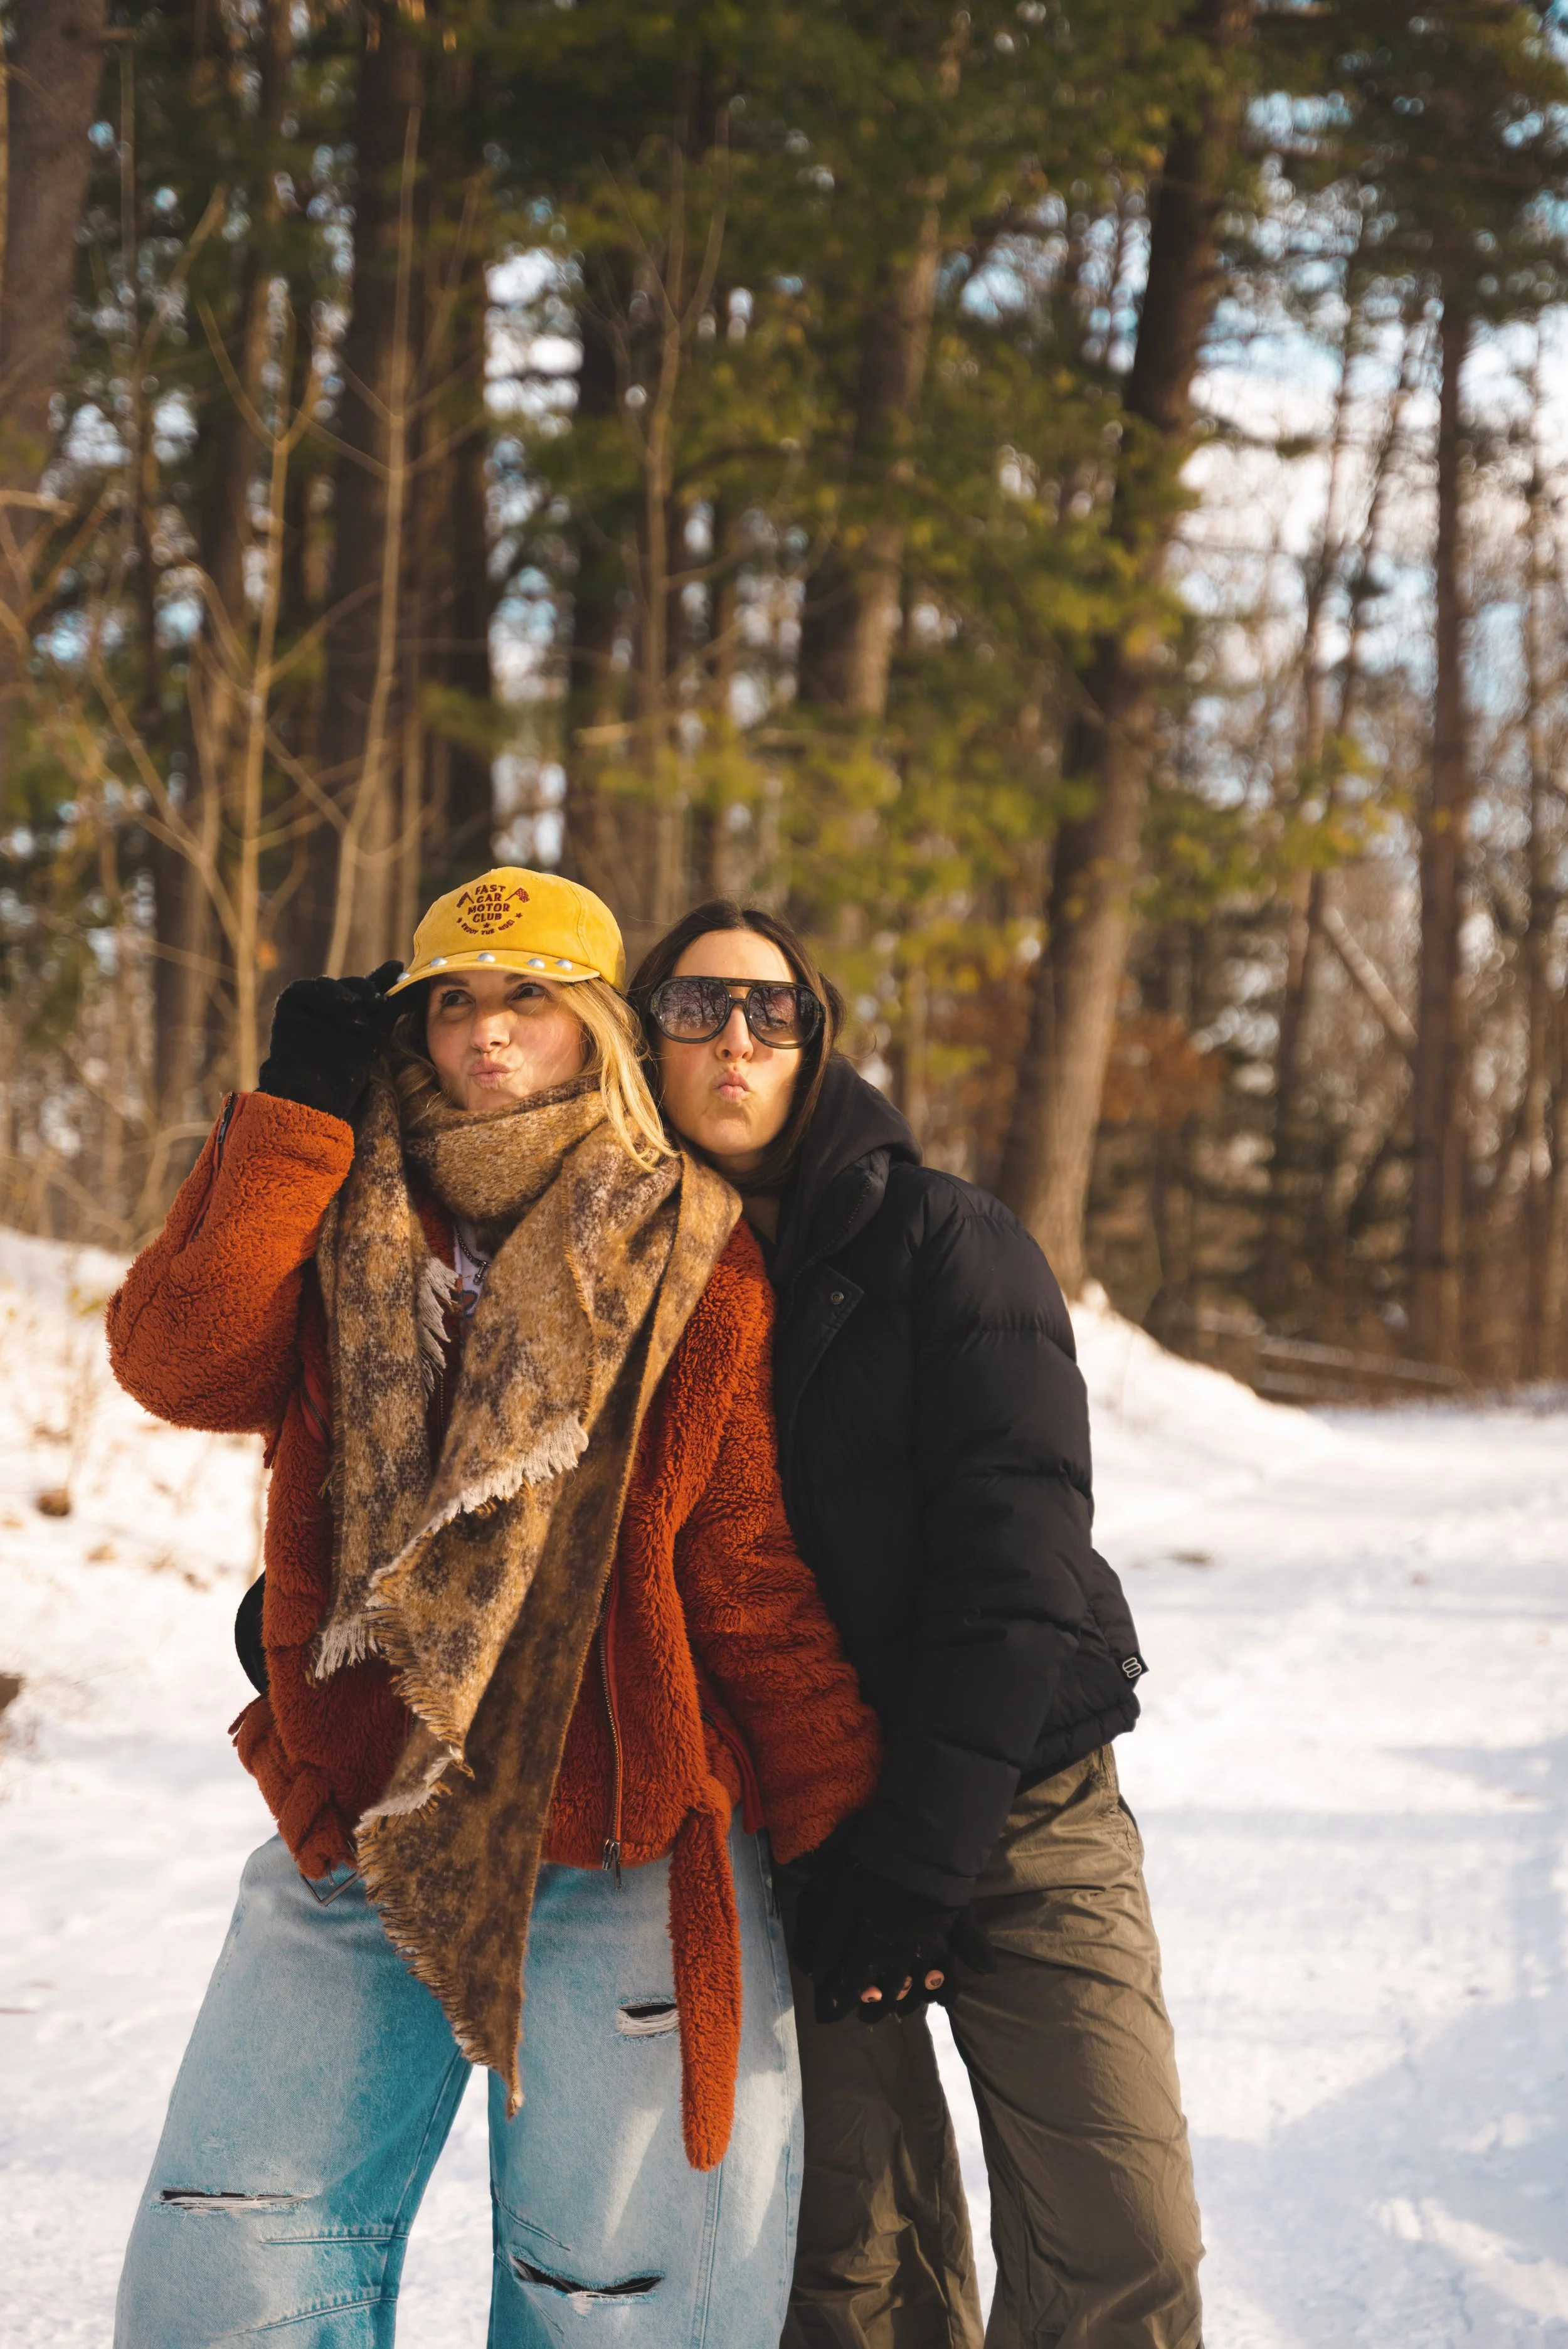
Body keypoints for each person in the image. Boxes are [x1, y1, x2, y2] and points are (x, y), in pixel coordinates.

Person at [107, 867, 882, 2349]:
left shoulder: (693, 1256)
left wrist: (841, 1833)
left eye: (526, 994)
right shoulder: (337, 1211)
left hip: (617, 1840)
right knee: (232, 2257)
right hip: (370, 1815)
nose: (487, 1032)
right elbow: (177, 1360)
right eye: (453, 1000)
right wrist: (286, 1123)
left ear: (592, 1021)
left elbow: (743, 1576)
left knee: (610, 2298)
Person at [630, 901, 1204, 2349]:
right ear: (641, 1042)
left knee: (1120, 2240)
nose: (734, 1040)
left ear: (816, 1044)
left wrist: (921, 1852)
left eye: (771, 1012)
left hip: (1018, 1799)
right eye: (696, 1008)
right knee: (850, 2267)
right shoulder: (616, 1281)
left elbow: (1015, 1559)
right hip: (794, 1835)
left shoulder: (946, 1239)